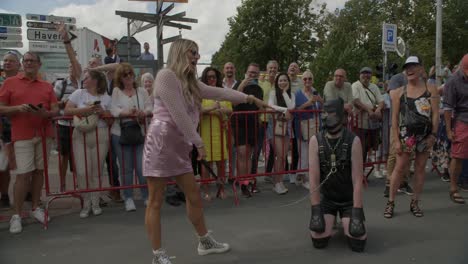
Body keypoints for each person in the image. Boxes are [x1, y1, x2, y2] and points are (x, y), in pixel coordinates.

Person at [142, 39, 269, 264]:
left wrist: (250, 98)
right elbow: (179, 114)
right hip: (162, 142)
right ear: (181, 52)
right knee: (155, 200)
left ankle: (204, 241)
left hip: (180, 144)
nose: (197, 57)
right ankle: (158, 255)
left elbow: (220, 93)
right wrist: (199, 143)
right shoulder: (166, 76)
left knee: (194, 195)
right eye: (193, 53)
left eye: (198, 53)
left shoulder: (190, 82)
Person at [0, 51, 59, 234]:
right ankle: (16, 215)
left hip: (44, 134)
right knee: (23, 175)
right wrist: (18, 108)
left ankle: (35, 207)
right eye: (26, 61)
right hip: (22, 135)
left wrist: (46, 114)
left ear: (39, 64)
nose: (28, 63)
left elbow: (55, 109)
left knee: (40, 172)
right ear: (22, 64)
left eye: (32, 61)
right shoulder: (10, 83)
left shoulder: (47, 86)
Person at [308, 97, 367, 252]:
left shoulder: (354, 141)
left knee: (358, 242)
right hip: (327, 199)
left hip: (348, 200)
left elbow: (357, 180)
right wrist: (315, 210)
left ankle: (345, 219)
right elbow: (313, 179)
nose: (326, 116)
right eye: (324, 112)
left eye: (331, 113)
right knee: (318, 239)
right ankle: (331, 220)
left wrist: (357, 211)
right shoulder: (315, 140)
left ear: (341, 116)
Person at [384, 56, 439, 218]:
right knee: (399, 168)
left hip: (425, 135)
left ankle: (415, 202)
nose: (410, 69)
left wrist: (433, 135)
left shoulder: (431, 89)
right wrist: (396, 141)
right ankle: (391, 203)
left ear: (421, 68)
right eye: (407, 67)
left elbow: (436, 115)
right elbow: (394, 119)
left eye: (413, 66)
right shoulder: (398, 93)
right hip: (406, 135)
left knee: (420, 168)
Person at [64, 70, 113, 218]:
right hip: (80, 135)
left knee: (96, 171)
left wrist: (102, 112)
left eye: (87, 77)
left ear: (96, 80)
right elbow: (67, 110)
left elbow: (111, 121)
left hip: (101, 134)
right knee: (82, 171)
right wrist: (86, 110)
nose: (84, 79)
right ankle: (86, 203)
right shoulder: (78, 93)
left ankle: (95, 202)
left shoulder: (106, 97)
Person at [111, 63, 151, 211]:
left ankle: (146, 196)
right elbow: (113, 109)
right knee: (126, 168)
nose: (128, 77)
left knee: (141, 167)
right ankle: (128, 197)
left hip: (139, 132)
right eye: (125, 75)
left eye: (130, 74)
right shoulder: (116, 91)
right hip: (120, 133)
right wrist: (127, 113)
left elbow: (149, 107)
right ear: (120, 78)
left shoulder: (141, 91)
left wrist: (143, 113)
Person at [199, 67, 232, 200]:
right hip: (206, 133)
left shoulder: (222, 92)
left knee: (221, 164)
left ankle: (221, 189)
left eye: (213, 77)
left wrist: (221, 110)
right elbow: (198, 110)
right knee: (207, 164)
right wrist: (213, 108)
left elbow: (230, 110)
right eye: (208, 77)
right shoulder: (200, 94)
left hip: (220, 133)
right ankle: (207, 191)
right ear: (205, 79)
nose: (211, 79)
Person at [231, 63, 264, 197]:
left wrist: (254, 99)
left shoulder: (259, 89)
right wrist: (241, 87)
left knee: (248, 153)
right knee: (241, 152)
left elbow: (260, 106)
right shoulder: (238, 84)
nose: (252, 75)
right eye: (250, 72)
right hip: (239, 123)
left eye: (255, 73)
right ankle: (242, 182)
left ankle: (247, 180)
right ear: (246, 72)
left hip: (252, 123)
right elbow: (233, 102)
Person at [444, 54, 468, 204]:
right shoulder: (453, 81)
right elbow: (447, 107)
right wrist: (448, 129)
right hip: (462, 120)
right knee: (458, 156)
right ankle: (453, 188)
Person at [53, 64, 81, 191]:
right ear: (68, 69)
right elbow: (52, 104)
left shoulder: (83, 85)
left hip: (79, 125)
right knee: (64, 155)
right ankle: (62, 184)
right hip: (64, 124)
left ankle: (78, 183)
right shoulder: (61, 84)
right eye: (70, 67)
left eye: (75, 67)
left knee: (78, 155)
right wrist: (62, 103)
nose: (73, 69)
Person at [294, 70, 323, 189]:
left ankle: (300, 176)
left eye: (310, 79)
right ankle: (304, 178)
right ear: (302, 81)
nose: (307, 81)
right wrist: (308, 103)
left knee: (313, 153)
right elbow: (295, 111)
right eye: (305, 79)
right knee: (304, 153)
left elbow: (322, 107)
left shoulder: (316, 92)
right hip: (302, 126)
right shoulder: (297, 94)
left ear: (313, 80)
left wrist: (320, 100)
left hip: (315, 125)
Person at [0, 51, 21, 209]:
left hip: (20, 127)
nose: (7, 63)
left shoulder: (22, 81)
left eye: (11, 61)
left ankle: (25, 192)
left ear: (18, 64)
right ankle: (5, 195)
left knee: (24, 163)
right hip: (2, 129)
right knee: (3, 165)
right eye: (5, 60)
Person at [268, 72, 296, 194]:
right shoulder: (273, 93)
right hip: (275, 127)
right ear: (276, 82)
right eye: (280, 80)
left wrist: (284, 93)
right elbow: (270, 106)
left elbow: (291, 106)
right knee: (279, 155)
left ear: (288, 82)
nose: (282, 82)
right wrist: (285, 110)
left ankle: (278, 181)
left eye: (285, 80)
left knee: (283, 156)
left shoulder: (291, 94)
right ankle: (277, 182)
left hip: (287, 128)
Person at [351, 67, 384, 165]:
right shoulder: (355, 85)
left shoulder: (374, 86)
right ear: (360, 75)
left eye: (368, 73)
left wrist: (378, 110)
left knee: (367, 148)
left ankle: (362, 173)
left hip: (372, 122)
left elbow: (381, 101)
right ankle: (358, 173)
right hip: (359, 122)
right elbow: (356, 101)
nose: (366, 75)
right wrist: (369, 109)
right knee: (359, 148)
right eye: (363, 73)